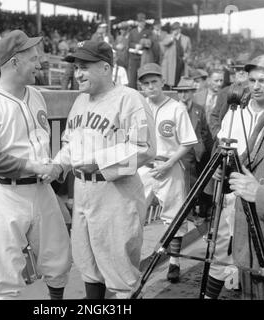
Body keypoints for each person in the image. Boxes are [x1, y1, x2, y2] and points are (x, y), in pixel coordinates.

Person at [0, 30, 72, 300]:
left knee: (59, 262)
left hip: (41, 191)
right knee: (7, 279)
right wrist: (36, 167)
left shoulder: (37, 95)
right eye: (33, 59)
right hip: (3, 195)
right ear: (14, 62)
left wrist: (53, 166)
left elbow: (41, 143)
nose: (40, 64)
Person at [50, 40, 156, 299]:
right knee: (87, 264)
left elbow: (144, 149)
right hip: (84, 191)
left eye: (84, 67)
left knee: (120, 271)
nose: (78, 74)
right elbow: (69, 144)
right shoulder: (79, 101)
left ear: (106, 68)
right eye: (76, 68)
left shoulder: (130, 99)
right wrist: (57, 164)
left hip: (116, 193)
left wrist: (98, 161)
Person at [137, 63, 198, 283]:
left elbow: (188, 142)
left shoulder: (176, 107)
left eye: (154, 81)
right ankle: (132, 261)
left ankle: (174, 262)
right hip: (144, 167)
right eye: (146, 83)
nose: (150, 86)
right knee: (134, 214)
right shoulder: (138, 106)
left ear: (162, 82)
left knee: (174, 215)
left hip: (169, 165)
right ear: (140, 86)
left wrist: (169, 163)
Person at [227, 54, 264, 300]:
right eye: (252, 80)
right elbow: (249, 163)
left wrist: (261, 194)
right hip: (253, 238)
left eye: (263, 80)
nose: (255, 86)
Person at [173, 77, 213, 225]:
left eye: (186, 92)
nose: (183, 95)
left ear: (192, 92)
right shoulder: (174, 109)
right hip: (182, 153)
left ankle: (199, 211)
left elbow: (204, 131)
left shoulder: (198, 109)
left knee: (199, 183)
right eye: (181, 92)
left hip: (198, 153)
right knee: (186, 184)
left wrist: (204, 148)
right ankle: (188, 214)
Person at [208, 58, 249, 140]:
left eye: (244, 70)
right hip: (224, 139)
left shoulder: (254, 93)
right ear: (234, 71)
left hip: (245, 139)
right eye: (238, 69)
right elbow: (214, 116)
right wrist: (218, 134)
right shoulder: (224, 91)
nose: (241, 72)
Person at [161, 22, 191, 88]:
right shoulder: (168, 37)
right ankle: (170, 90)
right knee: (169, 79)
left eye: (177, 29)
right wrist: (172, 37)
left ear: (180, 29)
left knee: (178, 79)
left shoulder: (186, 38)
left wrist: (186, 56)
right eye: (174, 29)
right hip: (170, 62)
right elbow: (164, 44)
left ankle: (176, 91)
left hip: (181, 61)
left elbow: (189, 50)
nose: (175, 31)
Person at [127, 13, 150, 89]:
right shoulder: (132, 32)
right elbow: (129, 43)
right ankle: (133, 92)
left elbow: (150, 43)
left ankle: (143, 93)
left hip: (143, 58)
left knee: (143, 76)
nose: (141, 23)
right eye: (140, 21)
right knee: (132, 77)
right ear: (137, 22)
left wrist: (142, 45)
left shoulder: (147, 32)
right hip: (133, 57)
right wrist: (135, 46)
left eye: (143, 21)